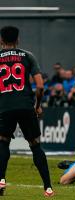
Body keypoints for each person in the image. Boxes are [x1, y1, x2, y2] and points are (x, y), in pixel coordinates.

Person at [0, 26, 54, 196]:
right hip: (25, 105)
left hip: (4, 107)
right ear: (18, 40)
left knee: (2, 142)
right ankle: (48, 187)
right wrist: (37, 105)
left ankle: (1, 179)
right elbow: (40, 86)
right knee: (35, 144)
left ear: (1, 40)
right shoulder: (27, 56)